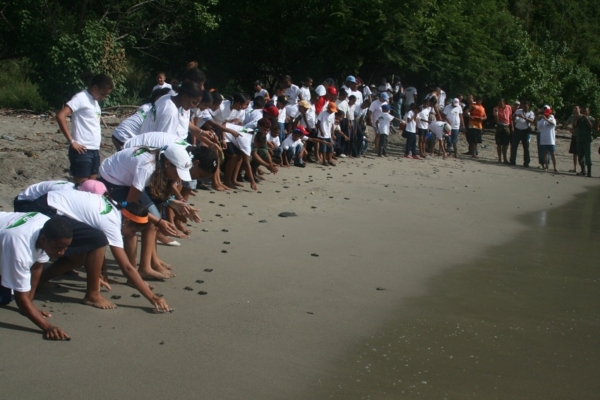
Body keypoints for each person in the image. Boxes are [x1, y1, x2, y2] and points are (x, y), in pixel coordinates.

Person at [28, 183, 170, 312]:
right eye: (133, 232)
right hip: (45, 209)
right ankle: (92, 294)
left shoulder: (115, 206)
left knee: (79, 257)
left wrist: (98, 274)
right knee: (99, 239)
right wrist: (152, 297)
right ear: (126, 221)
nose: (131, 236)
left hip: (48, 203)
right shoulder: (111, 221)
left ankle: (40, 280)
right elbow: (126, 267)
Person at [99, 144, 201, 279]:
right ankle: (133, 272)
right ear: (167, 164)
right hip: (112, 178)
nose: (178, 178)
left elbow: (157, 195)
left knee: (152, 219)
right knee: (133, 223)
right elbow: (131, 207)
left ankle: (148, 264)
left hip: (129, 180)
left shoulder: (160, 164)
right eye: (177, 172)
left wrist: (175, 204)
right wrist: (158, 221)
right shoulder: (147, 167)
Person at [0, 214, 73, 340]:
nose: (62, 253)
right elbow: (21, 297)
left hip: (5, 237)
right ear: (43, 240)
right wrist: (48, 327)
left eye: (66, 248)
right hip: (9, 241)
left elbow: (37, 266)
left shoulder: (48, 227)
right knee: (4, 298)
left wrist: (30, 305)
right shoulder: (20, 250)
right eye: (58, 248)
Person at [56, 73, 114, 184]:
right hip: (81, 149)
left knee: (91, 187)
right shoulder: (81, 98)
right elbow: (60, 115)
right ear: (95, 87)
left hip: (94, 149)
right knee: (81, 186)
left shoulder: (95, 101)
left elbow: (92, 123)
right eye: (102, 94)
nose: (103, 98)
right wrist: (72, 141)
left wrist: (98, 140)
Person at [511, 101, 535, 167]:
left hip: (525, 131)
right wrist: (515, 115)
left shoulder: (531, 113)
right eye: (523, 106)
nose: (524, 107)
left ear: (528, 106)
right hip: (517, 130)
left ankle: (526, 162)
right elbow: (512, 119)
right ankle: (512, 161)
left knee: (526, 148)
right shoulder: (518, 111)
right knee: (514, 146)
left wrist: (524, 117)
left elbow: (531, 121)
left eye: (526, 106)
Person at [574, 106, 595, 177]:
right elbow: (574, 126)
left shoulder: (591, 118)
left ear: (589, 112)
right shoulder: (580, 118)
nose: (585, 112)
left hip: (587, 140)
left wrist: (586, 119)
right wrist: (576, 118)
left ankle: (589, 172)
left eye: (586, 111)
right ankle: (583, 170)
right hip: (579, 139)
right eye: (584, 111)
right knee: (580, 156)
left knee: (587, 156)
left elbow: (591, 126)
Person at [536, 105, 558, 172]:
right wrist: (537, 119)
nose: (546, 115)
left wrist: (546, 119)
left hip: (551, 140)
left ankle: (555, 167)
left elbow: (553, 124)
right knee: (544, 154)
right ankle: (546, 166)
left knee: (552, 154)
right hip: (543, 140)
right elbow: (538, 128)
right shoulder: (541, 120)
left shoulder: (552, 118)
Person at [317, 102, 338, 166]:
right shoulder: (322, 113)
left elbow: (332, 125)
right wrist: (321, 131)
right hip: (322, 134)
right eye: (331, 110)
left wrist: (333, 134)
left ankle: (329, 160)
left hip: (329, 134)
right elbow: (318, 122)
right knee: (323, 148)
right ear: (328, 108)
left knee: (330, 147)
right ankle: (324, 161)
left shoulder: (333, 114)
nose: (332, 111)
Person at [493, 98, 513, 164]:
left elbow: (510, 117)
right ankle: (499, 159)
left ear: (504, 102)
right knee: (499, 143)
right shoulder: (496, 108)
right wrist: (496, 114)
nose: (500, 104)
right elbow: (496, 120)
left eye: (501, 103)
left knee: (506, 143)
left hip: (507, 125)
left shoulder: (509, 107)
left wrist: (512, 127)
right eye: (499, 103)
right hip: (500, 125)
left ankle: (505, 158)